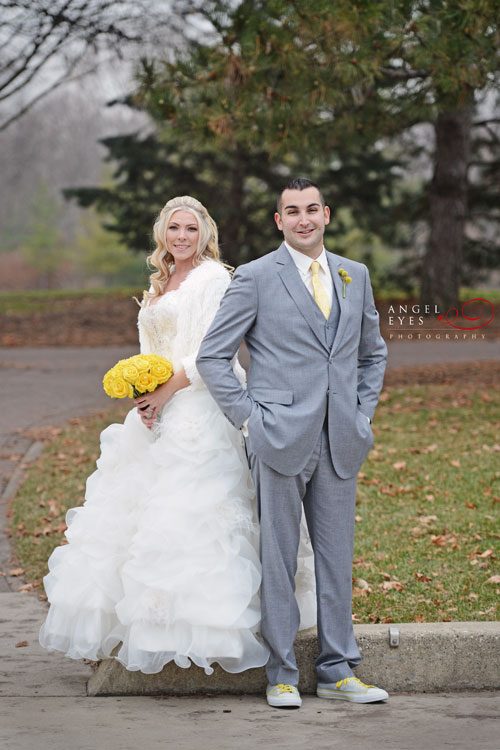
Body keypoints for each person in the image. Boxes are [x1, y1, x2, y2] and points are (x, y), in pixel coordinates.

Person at [39, 195, 315, 676]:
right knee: (135, 519)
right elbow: (152, 350)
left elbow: (215, 351)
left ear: (205, 233)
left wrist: (166, 393)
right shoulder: (159, 283)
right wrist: (142, 393)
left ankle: (208, 629)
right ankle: (138, 628)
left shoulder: (213, 279)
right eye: (174, 229)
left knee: (191, 517)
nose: (182, 237)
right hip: (156, 410)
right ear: (162, 234)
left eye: (191, 229)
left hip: (200, 407)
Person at [197, 178, 389, 708]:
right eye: (292, 211)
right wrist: (250, 421)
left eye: (312, 209)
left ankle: (337, 668)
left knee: (336, 558)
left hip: (340, 439)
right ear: (278, 221)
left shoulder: (355, 275)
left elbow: (372, 355)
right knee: (279, 557)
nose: (303, 219)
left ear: (326, 214)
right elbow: (213, 357)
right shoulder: (257, 278)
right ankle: (280, 672)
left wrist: (361, 414)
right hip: (278, 435)